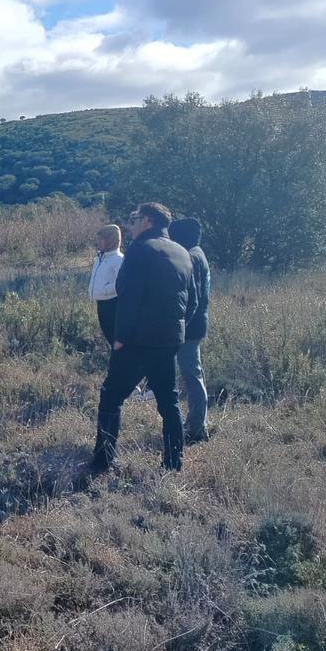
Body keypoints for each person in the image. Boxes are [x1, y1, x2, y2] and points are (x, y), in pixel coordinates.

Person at [90, 202, 198, 474]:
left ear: (147, 222)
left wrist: (120, 338)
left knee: (111, 396)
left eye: (134, 219)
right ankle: (173, 463)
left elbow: (128, 297)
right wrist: (176, 328)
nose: (131, 225)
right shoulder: (183, 253)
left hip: (136, 341)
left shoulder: (139, 249)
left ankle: (103, 460)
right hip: (169, 340)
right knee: (168, 400)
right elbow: (193, 301)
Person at [169, 216, 211, 443]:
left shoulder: (192, 257)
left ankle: (196, 428)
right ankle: (197, 423)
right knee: (194, 373)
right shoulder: (198, 252)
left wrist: (180, 325)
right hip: (195, 325)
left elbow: (191, 300)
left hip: (190, 328)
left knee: (192, 375)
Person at [88, 224, 124, 347]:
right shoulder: (99, 258)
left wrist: (105, 290)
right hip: (101, 304)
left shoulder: (118, 259)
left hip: (112, 305)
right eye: (99, 239)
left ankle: (120, 364)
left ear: (111, 240)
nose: (99, 242)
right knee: (111, 340)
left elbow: (123, 283)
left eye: (102, 239)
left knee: (116, 341)